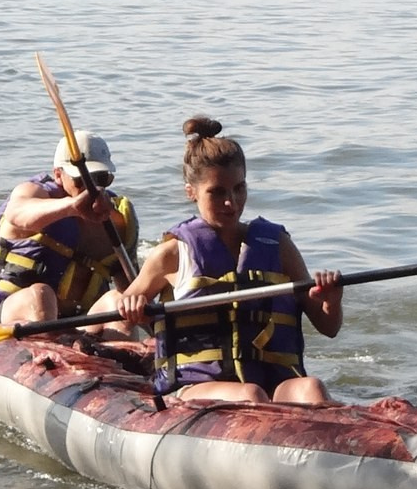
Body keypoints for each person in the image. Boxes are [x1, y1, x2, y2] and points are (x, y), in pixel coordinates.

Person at [115, 117, 342, 405]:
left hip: (272, 382)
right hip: (195, 386)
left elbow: (329, 327)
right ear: (191, 192)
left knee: (312, 388)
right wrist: (132, 306)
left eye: (239, 188)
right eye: (217, 192)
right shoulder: (172, 254)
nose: (231, 202)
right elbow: (126, 306)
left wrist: (331, 300)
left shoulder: (278, 246)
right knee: (250, 395)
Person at [0, 132, 140, 329]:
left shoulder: (116, 219)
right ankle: (48, 353)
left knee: (119, 301)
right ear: (58, 175)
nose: (92, 187)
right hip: (13, 313)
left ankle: (119, 355)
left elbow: (132, 287)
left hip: (79, 322)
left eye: (100, 178)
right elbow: (17, 214)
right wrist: (72, 206)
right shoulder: (34, 194)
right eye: (81, 179)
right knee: (41, 296)